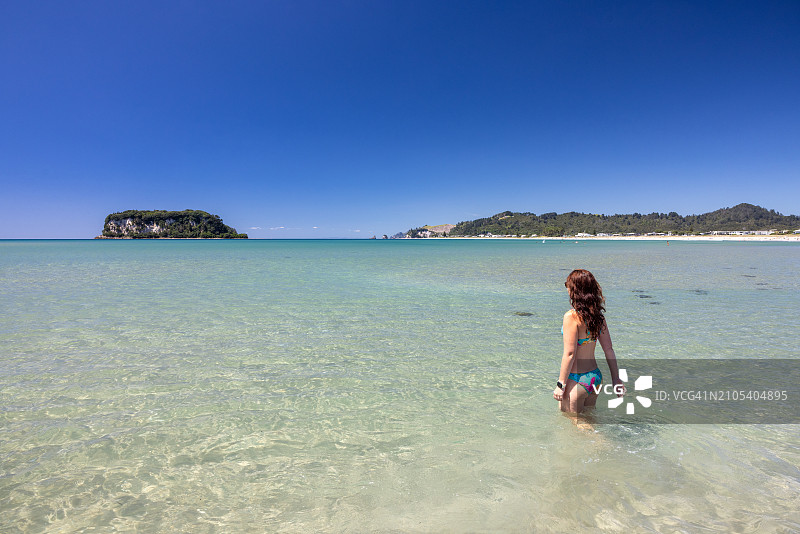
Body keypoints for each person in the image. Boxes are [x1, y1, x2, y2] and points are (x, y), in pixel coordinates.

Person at [553, 269, 625, 413]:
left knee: (574, 424)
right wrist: (616, 379)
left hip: (577, 379)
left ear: (575, 290)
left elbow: (570, 354)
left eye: (568, 285)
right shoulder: (598, 317)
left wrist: (560, 385)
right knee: (590, 418)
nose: (566, 288)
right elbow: (609, 349)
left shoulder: (571, 317)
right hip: (595, 378)